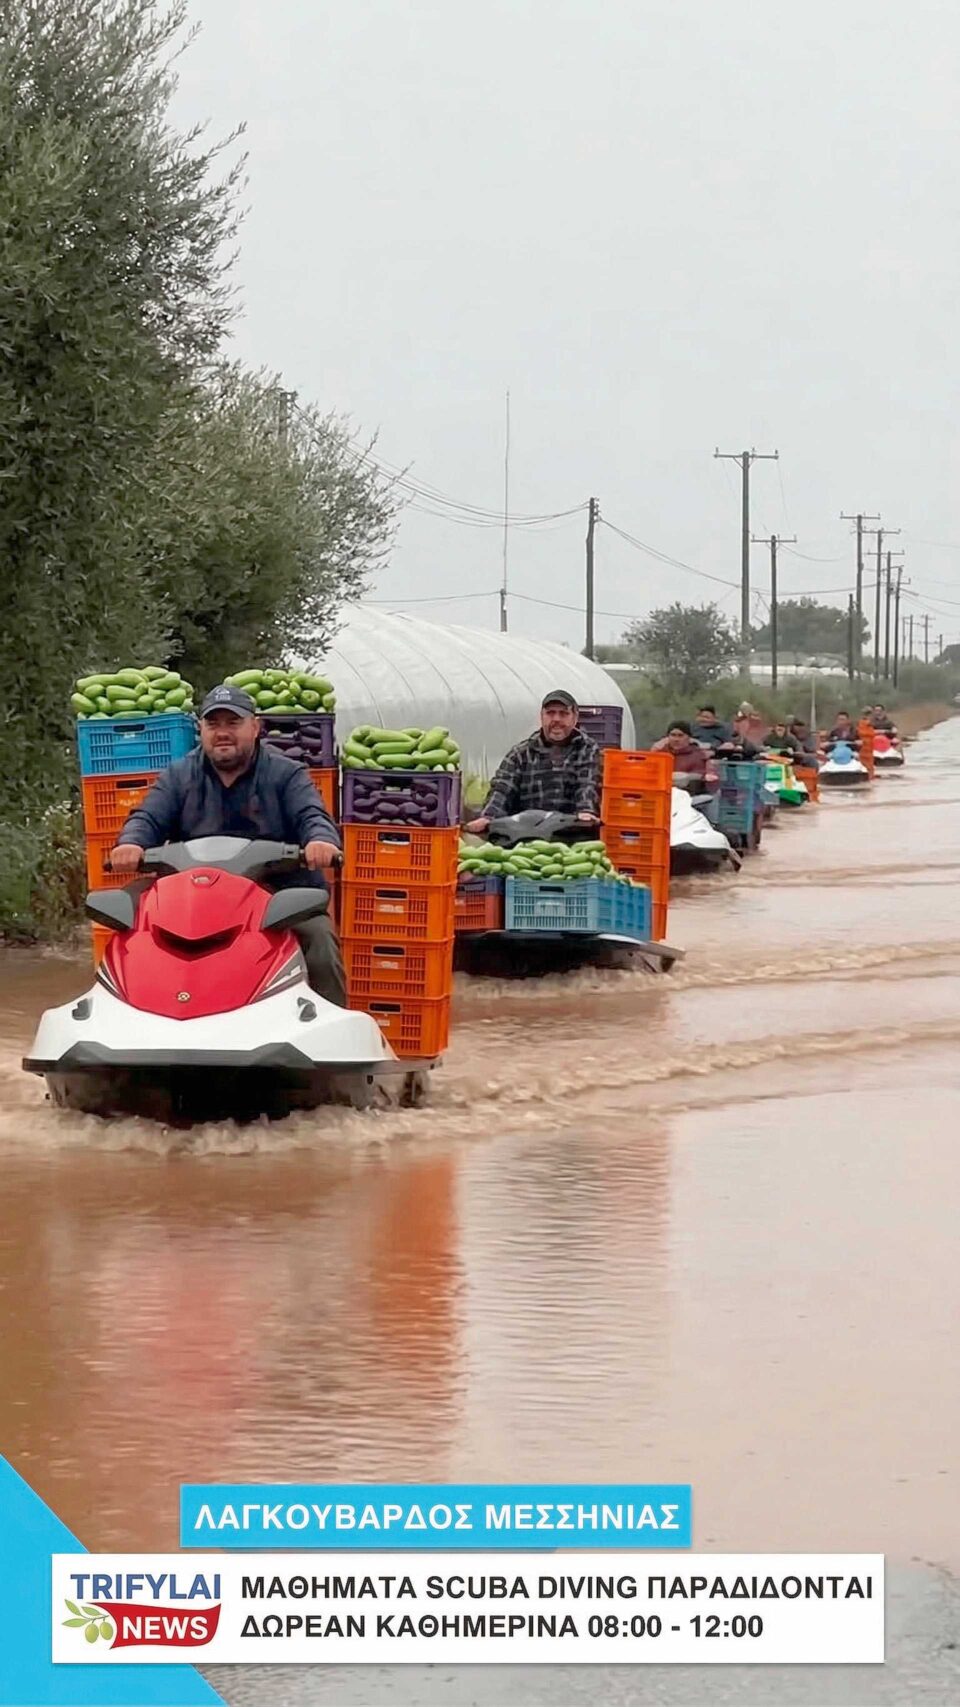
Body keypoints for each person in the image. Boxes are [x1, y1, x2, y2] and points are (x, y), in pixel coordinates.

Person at [109, 684, 346, 1004]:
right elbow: (148, 817)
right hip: (193, 894)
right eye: (213, 724)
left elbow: (312, 815)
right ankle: (126, 1013)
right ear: (201, 730)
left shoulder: (287, 774)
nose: (222, 733)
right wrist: (132, 843)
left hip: (276, 895)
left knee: (319, 941)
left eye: (232, 723)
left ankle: (328, 1043)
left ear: (255, 727)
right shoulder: (179, 775)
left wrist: (320, 840)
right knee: (128, 916)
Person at [466, 690, 601, 832]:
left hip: (570, 834)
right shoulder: (521, 753)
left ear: (575, 718)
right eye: (550, 713)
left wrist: (586, 811)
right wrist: (488, 817)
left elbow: (587, 784)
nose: (556, 719)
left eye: (563, 713)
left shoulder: (587, 749)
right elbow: (502, 788)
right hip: (525, 835)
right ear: (541, 717)